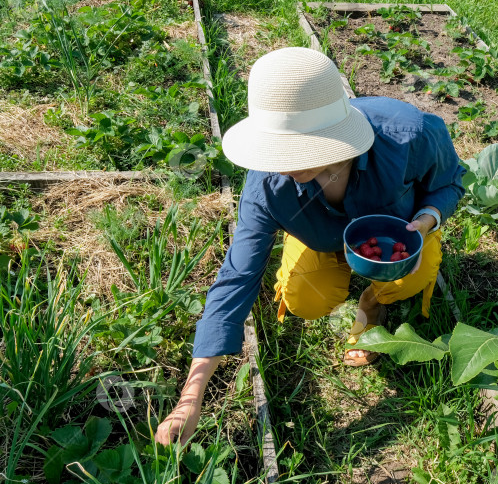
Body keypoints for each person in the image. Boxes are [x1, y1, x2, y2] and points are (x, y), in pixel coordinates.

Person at [155, 47, 466, 446]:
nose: (286, 164)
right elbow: (237, 277)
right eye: (278, 149)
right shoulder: (267, 188)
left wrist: (425, 221)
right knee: (306, 300)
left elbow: (449, 183)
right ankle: (307, 241)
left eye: (301, 149)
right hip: (317, 238)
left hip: (399, 237)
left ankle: (374, 306)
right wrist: (189, 398)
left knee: (408, 278)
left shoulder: (408, 134)